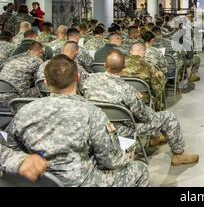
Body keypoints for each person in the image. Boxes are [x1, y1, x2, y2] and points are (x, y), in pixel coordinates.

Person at [5, 55, 150, 187]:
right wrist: (127, 157)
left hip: (40, 181)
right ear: (78, 77)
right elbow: (110, 161)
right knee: (141, 170)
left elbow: (11, 146)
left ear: (45, 82)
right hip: (84, 182)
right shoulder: (92, 113)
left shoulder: (24, 111)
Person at [82, 50, 199, 166]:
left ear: (104, 65)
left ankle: (156, 137)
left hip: (95, 128)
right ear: (123, 67)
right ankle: (178, 154)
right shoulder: (127, 90)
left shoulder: (89, 80)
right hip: (121, 131)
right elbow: (144, 116)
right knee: (168, 117)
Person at [121, 43, 166, 111]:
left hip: (122, 96)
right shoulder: (149, 66)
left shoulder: (119, 64)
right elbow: (158, 88)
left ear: (130, 51)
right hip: (142, 98)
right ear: (144, 53)